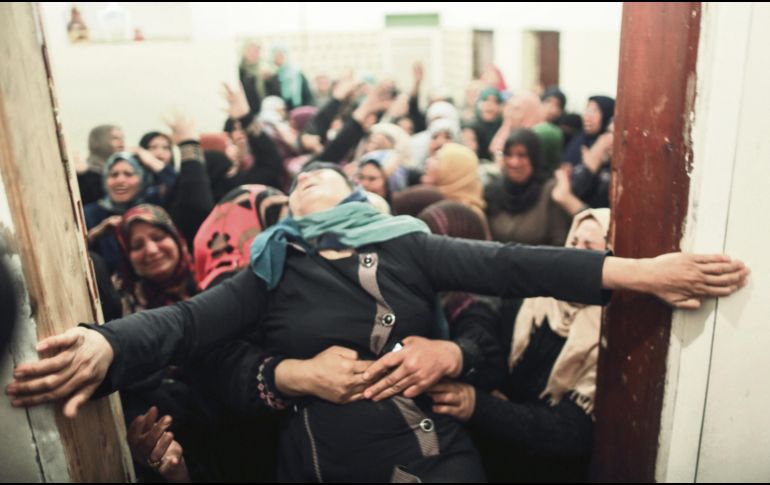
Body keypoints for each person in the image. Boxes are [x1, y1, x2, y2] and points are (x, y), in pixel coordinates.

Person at [7, 164, 749, 481]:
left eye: (327, 173)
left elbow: (517, 265)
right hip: (320, 465)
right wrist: (106, 340)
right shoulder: (271, 267)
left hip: (428, 460)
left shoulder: (405, 244)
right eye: (298, 180)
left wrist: (641, 272)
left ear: (360, 198)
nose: (309, 178)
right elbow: (187, 326)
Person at [429, 208, 611, 482]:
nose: (578, 256)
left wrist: (479, 405)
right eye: (574, 243)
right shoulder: (535, 299)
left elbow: (570, 431)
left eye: (591, 248)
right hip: (494, 454)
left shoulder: (608, 334)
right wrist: (462, 349)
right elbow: (487, 331)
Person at [485, 129, 573, 246]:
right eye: (509, 155)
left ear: (534, 158)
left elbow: (559, 242)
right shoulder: (493, 190)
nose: (514, 162)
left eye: (522, 155)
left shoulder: (549, 192)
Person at [77, 124, 125, 205]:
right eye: (115, 138)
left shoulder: (126, 169)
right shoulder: (85, 173)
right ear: (100, 141)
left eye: (122, 138)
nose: (121, 142)